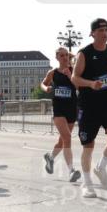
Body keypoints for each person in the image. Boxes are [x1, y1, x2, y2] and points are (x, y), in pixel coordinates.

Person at [71, 18, 107, 198]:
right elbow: (75, 78)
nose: (104, 33)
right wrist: (91, 84)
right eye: (100, 30)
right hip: (88, 105)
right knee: (88, 146)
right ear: (92, 33)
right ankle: (87, 184)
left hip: (106, 102)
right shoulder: (84, 53)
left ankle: (100, 169)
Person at [41, 47, 81, 182]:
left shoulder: (74, 71)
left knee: (62, 140)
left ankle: (50, 158)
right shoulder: (53, 73)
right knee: (68, 138)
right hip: (58, 109)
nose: (64, 57)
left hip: (72, 108)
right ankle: (71, 171)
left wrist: (70, 76)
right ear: (57, 57)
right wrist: (46, 88)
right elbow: (43, 83)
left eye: (66, 55)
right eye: (61, 55)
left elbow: (79, 87)